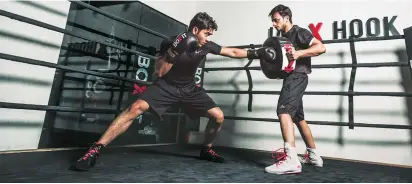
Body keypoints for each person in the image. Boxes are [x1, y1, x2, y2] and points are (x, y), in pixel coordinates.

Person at [70, 12, 274, 171]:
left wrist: (256, 53)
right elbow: (158, 72)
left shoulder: (206, 46)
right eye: (206, 33)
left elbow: (232, 51)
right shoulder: (171, 42)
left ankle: (206, 149)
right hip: (166, 86)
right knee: (135, 107)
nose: (208, 38)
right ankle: (95, 150)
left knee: (218, 116)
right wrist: (174, 52)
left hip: (189, 88)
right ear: (195, 29)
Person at [263, 4, 327, 175]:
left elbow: (321, 47)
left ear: (286, 18)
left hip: (297, 77)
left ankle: (291, 160)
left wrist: (299, 54)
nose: (274, 24)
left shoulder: (299, 32)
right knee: (298, 118)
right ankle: (313, 156)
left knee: (283, 111)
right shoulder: (282, 38)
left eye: (276, 20)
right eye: (273, 21)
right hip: (290, 78)